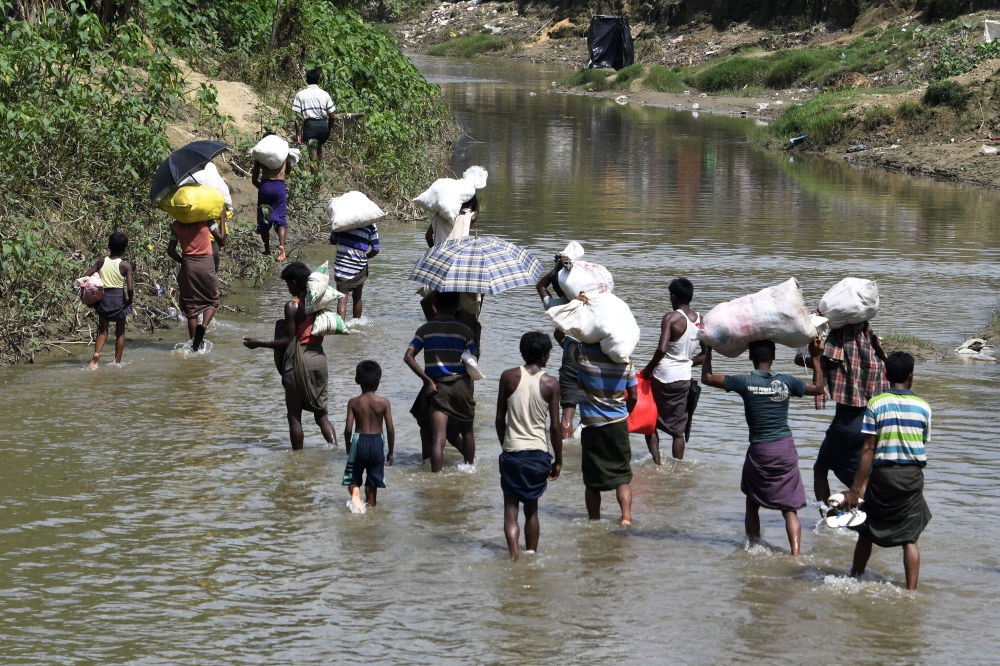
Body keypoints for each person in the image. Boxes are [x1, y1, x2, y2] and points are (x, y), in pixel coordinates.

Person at [701, 339, 825, 555]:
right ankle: (795, 554)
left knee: (752, 502)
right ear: (773, 357)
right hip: (785, 449)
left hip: (760, 450)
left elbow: (707, 378)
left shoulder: (744, 382)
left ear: (750, 357)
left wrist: (708, 350)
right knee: (789, 508)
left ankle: (753, 546)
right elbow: (819, 388)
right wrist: (815, 357)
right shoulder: (786, 381)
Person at [842, 352, 931, 591]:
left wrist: (855, 489)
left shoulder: (876, 404)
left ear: (886, 375)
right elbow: (919, 443)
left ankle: (855, 576)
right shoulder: (924, 408)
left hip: (883, 478)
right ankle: (911, 591)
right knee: (910, 538)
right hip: (912, 479)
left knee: (866, 530)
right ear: (912, 376)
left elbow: (868, 449)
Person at [242, 262, 338, 451]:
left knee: (294, 416)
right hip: (319, 359)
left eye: (288, 284)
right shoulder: (319, 303)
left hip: (299, 359)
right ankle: (335, 450)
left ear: (295, 282)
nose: (287, 288)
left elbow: (288, 341)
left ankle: (297, 460)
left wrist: (259, 343)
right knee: (321, 415)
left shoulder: (292, 306)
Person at [495, 332, 563, 561]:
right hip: (538, 455)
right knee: (532, 509)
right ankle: (531, 555)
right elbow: (555, 428)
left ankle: (514, 556)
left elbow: (499, 419)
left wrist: (505, 444)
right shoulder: (552, 383)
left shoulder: (508, 377)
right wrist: (558, 460)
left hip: (512, 452)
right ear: (544, 356)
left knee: (510, 510)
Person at [573, 298, 639, 525]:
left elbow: (563, 336)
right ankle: (626, 518)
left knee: (592, 480)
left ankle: (594, 521)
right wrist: (625, 414)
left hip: (592, 425)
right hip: (619, 423)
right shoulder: (626, 361)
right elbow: (635, 396)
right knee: (622, 476)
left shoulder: (582, 357)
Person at [812, 321, 888, 504]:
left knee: (820, 468)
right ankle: (867, 509)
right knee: (862, 474)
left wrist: (815, 352)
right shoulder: (875, 356)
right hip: (871, 423)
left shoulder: (837, 350)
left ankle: (825, 513)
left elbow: (811, 365)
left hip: (846, 423)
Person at [404, 291, 478, 472]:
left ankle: (435, 480)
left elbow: (408, 356)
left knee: (438, 438)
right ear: (456, 306)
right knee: (467, 432)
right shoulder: (465, 330)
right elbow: (473, 357)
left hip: (437, 387)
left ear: (435, 306)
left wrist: (427, 381)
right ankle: (470, 471)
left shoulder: (425, 329)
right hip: (461, 385)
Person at [641, 277, 705, 463]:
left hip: (662, 377)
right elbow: (705, 355)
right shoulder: (702, 321)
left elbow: (662, 350)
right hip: (683, 380)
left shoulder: (671, 318)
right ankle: (677, 467)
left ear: (673, 297)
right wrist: (687, 363)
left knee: (650, 421)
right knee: (678, 430)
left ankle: (657, 462)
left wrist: (647, 370)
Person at [167, 211, 227, 351]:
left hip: (188, 265)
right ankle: (204, 326)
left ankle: (194, 346)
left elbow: (171, 250)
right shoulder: (207, 221)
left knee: (191, 308)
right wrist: (222, 218)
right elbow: (222, 241)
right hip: (206, 264)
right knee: (212, 301)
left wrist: (183, 261)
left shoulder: (176, 225)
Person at [535, 255, 580, 439]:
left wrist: (555, 269)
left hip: (571, 358)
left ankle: (564, 446)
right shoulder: (588, 299)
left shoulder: (558, 306)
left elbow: (540, 286)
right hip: (595, 356)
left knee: (567, 416)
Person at [343, 360, 395, 513]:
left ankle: (355, 492)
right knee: (372, 483)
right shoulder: (384, 402)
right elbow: (390, 429)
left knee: (353, 479)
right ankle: (371, 508)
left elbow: (348, 429)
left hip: (359, 441)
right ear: (378, 381)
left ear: (357, 380)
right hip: (378, 442)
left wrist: (348, 445)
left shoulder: (353, 402)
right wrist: (390, 451)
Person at [84, 231, 134, 369]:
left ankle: (96, 354)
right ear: (125, 248)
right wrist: (130, 301)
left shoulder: (101, 262)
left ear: (108, 246)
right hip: (119, 300)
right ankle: (117, 362)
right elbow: (130, 288)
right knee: (120, 333)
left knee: (103, 332)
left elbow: (85, 277)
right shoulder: (125, 266)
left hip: (103, 300)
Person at [251, 132, 293, 262]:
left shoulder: (260, 157)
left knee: (264, 220)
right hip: (279, 187)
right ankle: (282, 246)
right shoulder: (283, 154)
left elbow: (254, 179)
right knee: (280, 219)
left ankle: (267, 249)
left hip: (265, 185)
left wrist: (263, 189)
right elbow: (287, 171)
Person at [330, 223, 379, 321]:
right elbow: (376, 249)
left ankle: (341, 329)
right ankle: (357, 324)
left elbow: (333, 241)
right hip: (359, 266)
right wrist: (366, 257)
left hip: (342, 265)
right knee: (357, 297)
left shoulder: (342, 220)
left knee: (342, 300)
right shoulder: (370, 224)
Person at [293, 69, 336, 163]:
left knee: (313, 156)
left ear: (307, 80)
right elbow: (332, 116)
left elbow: (297, 117)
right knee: (319, 148)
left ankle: (315, 177)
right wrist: (328, 130)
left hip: (310, 126)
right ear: (318, 81)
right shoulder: (325, 94)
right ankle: (319, 174)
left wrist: (298, 133)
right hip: (323, 125)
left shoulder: (300, 94)